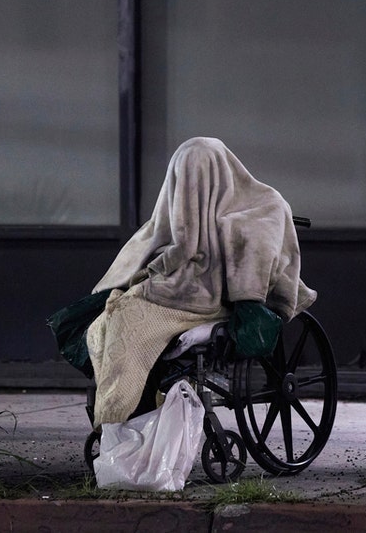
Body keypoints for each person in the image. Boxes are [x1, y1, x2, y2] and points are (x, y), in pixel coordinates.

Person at [85, 137, 315, 427]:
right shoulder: (264, 204)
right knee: (114, 316)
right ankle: (133, 415)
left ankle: (115, 420)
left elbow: (182, 244)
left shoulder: (250, 209)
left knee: (119, 319)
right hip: (202, 299)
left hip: (196, 302)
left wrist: (152, 269)